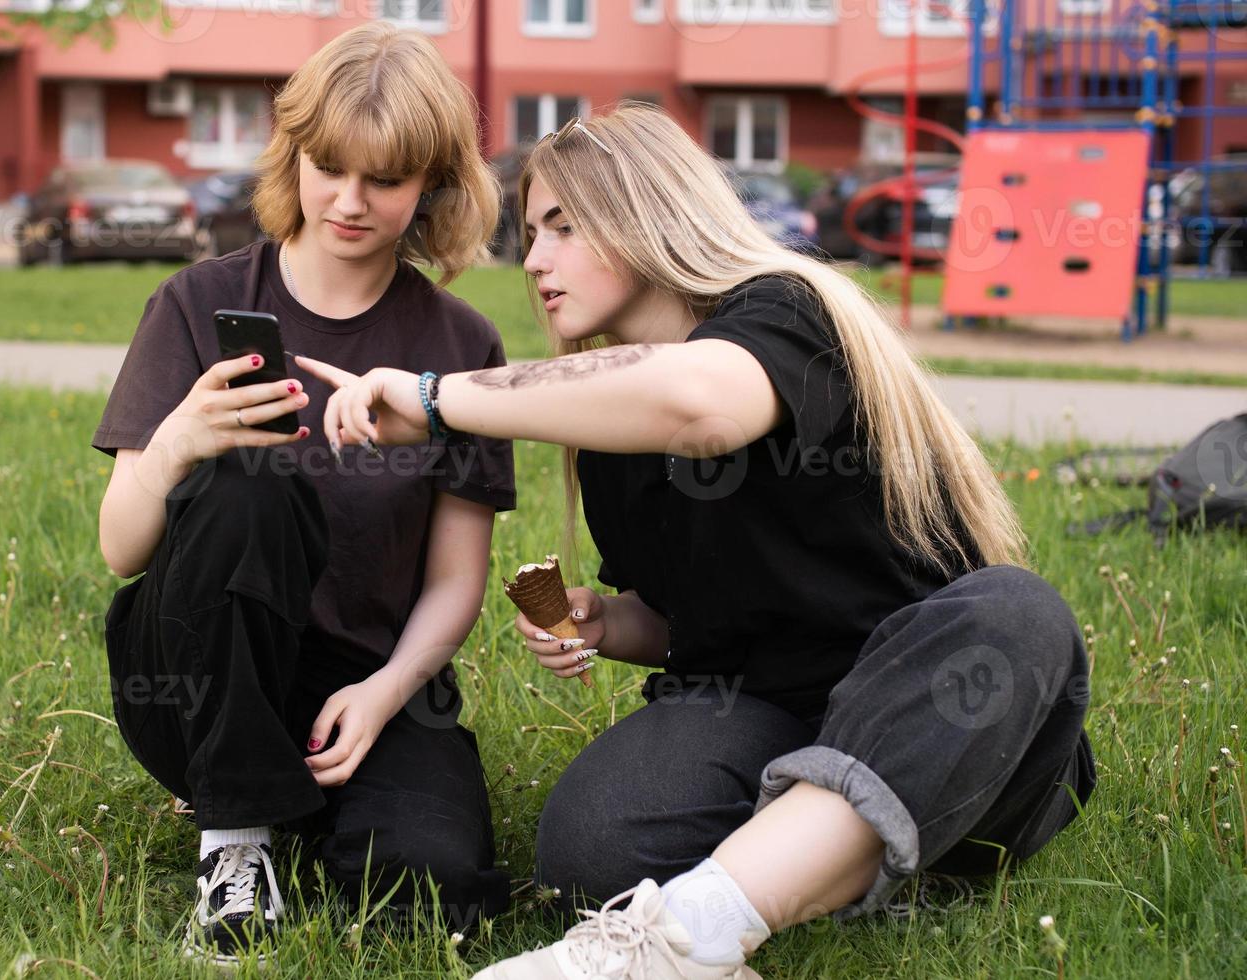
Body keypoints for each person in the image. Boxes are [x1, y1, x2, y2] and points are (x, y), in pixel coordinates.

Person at [295, 104, 1096, 980]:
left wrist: (440, 398)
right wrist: (612, 623)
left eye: (563, 227)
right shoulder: (608, 428)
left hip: (941, 724)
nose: (532, 261)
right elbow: (687, 623)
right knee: (589, 848)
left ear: (645, 213)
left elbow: (705, 406)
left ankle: (695, 929)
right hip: (768, 717)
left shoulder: (787, 312)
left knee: (1019, 613)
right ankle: (802, 876)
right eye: (531, 233)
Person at [91, 23, 516, 967]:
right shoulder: (195, 306)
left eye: (387, 178)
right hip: (198, 683)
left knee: (426, 891)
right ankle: (237, 834)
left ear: (433, 187)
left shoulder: (461, 345)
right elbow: (122, 551)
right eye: (329, 167)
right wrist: (174, 448)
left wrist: (382, 695)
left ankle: (314, 807)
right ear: (294, 156)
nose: (350, 202)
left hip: (368, 690)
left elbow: (455, 581)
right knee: (250, 473)